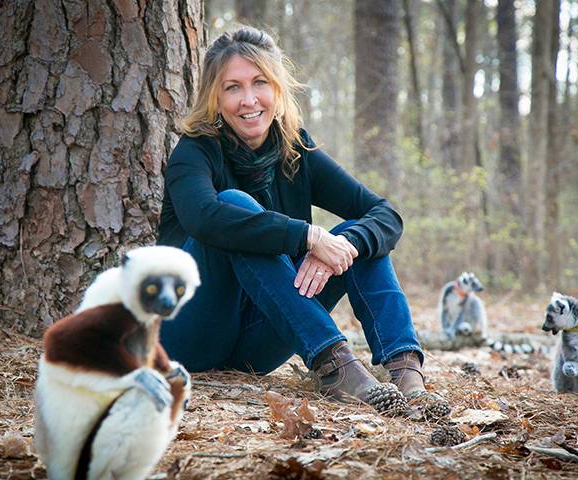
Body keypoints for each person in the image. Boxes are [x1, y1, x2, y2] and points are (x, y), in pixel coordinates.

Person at [157, 26, 445, 415]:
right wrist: (307, 236)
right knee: (235, 204)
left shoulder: (296, 149)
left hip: (257, 344)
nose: (249, 100)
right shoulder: (195, 152)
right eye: (232, 87)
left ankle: (406, 373)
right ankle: (335, 366)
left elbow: (385, 214)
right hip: (189, 332)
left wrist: (341, 246)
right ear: (215, 96)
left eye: (260, 82)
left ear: (277, 88)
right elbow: (206, 218)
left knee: (356, 240)